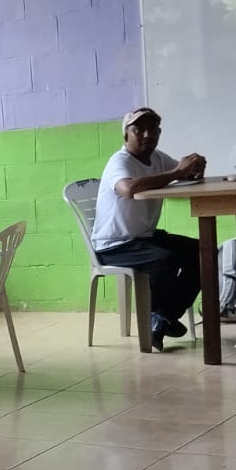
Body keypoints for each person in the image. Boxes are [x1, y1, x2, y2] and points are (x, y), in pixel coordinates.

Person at [91, 107, 207, 351]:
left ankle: (163, 316)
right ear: (126, 134)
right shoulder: (120, 161)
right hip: (115, 245)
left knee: (202, 251)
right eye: (139, 129)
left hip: (144, 238)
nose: (147, 135)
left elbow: (183, 174)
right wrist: (177, 172)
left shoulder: (157, 158)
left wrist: (195, 168)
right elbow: (127, 189)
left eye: (153, 129)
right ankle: (158, 317)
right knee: (165, 260)